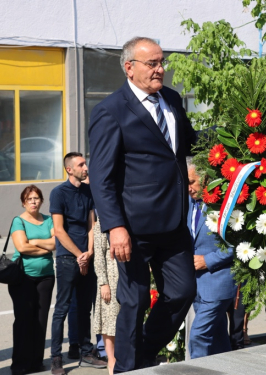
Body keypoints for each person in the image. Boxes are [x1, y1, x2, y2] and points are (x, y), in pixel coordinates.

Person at [88, 36, 198, 372]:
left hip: (174, 223)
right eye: (152, 64)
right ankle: (126, 369)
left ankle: (146, 349)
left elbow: (190, 143)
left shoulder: (172, 100)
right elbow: (101, 177)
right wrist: (115, 226)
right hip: (133, 229)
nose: (160, 69)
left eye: (161, 62)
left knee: (182, 293)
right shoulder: (110, 111)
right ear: (129, 67)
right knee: (133, 303)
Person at [49, 152, 106, 375]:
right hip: (66, 258)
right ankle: (56, 358)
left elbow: (91, 225)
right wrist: (78, 255)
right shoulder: (58, 193)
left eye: (85, 163)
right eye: (81, 165)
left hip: (86, 256)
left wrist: (89, 252)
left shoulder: (88, 191)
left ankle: (86, 351)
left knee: (85, 307)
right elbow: (59, 231)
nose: (86, 168)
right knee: (62, 308)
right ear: (69, 169)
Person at [186, 162, 235, 359]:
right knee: (217, 339)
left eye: (192, 182)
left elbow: (239, 243)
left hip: (218, 282)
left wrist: (208, 260)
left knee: (198, 336)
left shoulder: (223, 204)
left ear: (205, 180)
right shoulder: (188, 202)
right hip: (197, 286)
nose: (188, 188)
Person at [8, 185, 56, 375]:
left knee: (41, 320)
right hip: (23, 277)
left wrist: (34, 242)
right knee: (23, 320)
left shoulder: (49, 220)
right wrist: (45, 248)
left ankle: (36, 361)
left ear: (41, 201)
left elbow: (56, 242)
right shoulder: (18, 221)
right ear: (23, 202)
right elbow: (22, 247)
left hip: (46, 277)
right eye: (29, 199)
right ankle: (20, 363)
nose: (33, 202)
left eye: (36, 198)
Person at [93, 215, 120, 374]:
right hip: (110, 277)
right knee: (108, 322)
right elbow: (99, 255)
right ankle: (111, 360)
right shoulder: (102, 222)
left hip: (129, 277)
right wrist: (103, 283)